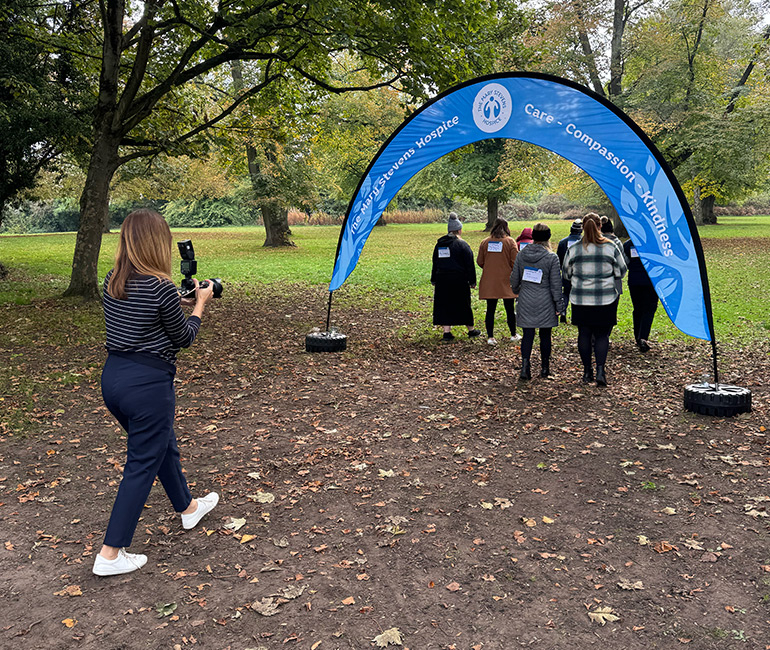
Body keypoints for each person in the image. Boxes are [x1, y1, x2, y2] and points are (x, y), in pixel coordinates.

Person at [94, 209, 219, 576]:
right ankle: (110, 554)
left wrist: (178, 303)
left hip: (114, 379)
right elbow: (184, 338)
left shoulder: (112, 280)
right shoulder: (160, 287)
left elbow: (143, 317)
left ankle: (188, 509)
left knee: (160, 444)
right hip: (147, 385)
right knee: (141, 463)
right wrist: (200, 304)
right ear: (156, 243)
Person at [562, 213, 627, 387]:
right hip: (605, 298)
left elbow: (566, 274)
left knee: (583, 334)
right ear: (600, 226)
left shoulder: (574, 248)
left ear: (583, 227)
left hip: (581, 298)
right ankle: (600, 370)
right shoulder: (610, 247)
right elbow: (621, 270)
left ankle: (586, 372)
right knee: (601, 335)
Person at [510, 223, 565, 380]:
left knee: (528, 334)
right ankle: (545, 368)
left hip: (526, 298)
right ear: (548, 237)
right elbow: (556, 284)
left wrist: (516, 290)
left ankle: (525, 368)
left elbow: (514, 278)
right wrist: (559, 305)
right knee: (545, 335)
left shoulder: (521, 255)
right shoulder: (551, 257)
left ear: (533, 237)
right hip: (545, 300)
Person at [431, 212, 481, 341]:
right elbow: (469, 264)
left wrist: (434, 279)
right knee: (464, 304)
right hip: (459, 280)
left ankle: (447, 332)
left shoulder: (440, 244)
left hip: (442, 279)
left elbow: (435, 262)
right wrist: (472, 281)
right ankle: (471, 330)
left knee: (444, 304)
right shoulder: (462, 245)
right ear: (459, 230)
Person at [477, 218, 521, 345]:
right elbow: (515, 262)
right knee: (509, 309)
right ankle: (513, 334)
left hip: (490, 281)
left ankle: (490, 337)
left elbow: (480, 261)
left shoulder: (485, 242)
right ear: (506, 228)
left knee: (490, 309)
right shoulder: (510, 242)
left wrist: (490, 268)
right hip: (506, 280)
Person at [624, 237, 659, 352]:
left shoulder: (628, 244)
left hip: (634, 280)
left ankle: (638, 336)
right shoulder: (654, 242)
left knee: (638, 309)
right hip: (651, 281)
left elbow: (625, 262)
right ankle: (643, 336)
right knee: (649, 309)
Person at [556, 218, 582, 323]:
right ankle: (576, 316)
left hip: (566, 272)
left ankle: (563, 312)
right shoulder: (583, 242)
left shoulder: (563, 242)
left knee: (566, 293)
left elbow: (558, 258)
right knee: (577, 295)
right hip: (579, 273)